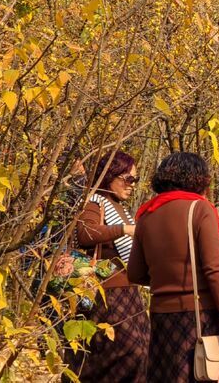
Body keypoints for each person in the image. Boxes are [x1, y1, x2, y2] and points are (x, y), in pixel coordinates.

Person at [128, 152, 219, 383]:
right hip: (198, 316)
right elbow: (215, 269)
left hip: (161, 317)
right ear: (199, 179)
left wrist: (166, 281)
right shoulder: (199, 209)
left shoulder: (146, 214)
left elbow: (135, 273)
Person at [66, 150, 148, 383]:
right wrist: (124, 229)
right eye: (128, 178)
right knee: (126, 352)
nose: (132, 185)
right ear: (110, 175)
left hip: (128, 292)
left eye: (136, 179)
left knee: (141, 352)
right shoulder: (95, 201)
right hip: (107, 293)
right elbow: (85, 233)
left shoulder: (119, 207)